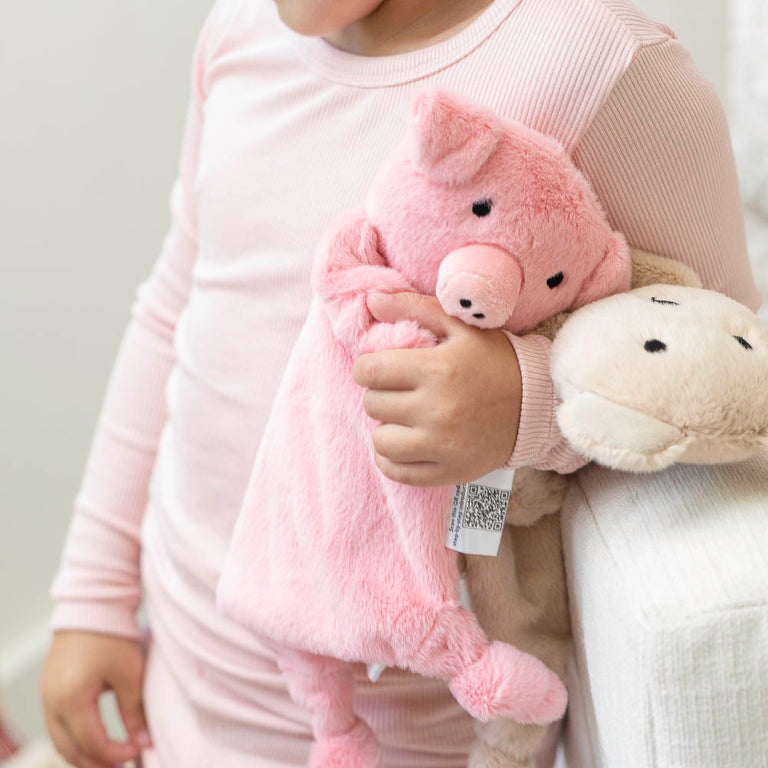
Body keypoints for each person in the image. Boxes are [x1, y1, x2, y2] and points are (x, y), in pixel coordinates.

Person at [40, 1, 762, 767]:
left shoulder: (605, 66)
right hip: (181, 663)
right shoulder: (239, 32)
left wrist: (528, 404)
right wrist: (94, 595)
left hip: (412, 726)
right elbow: (172, 312)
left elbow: (729, 371)